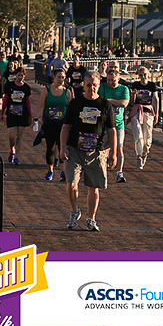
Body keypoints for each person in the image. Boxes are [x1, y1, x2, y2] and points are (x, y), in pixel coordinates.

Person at [60, 70, 117, 232]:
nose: (92, 88)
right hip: (75, 150)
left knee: (94, 187)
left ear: (99, 86)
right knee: (71, 183)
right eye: (89, 85)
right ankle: (74, 211)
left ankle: (91, 218)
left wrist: (113, 153)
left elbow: (112, 130)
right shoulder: (75, 103)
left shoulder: (105, 105)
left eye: (95, 85)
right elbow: (66, 126)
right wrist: (62, 147)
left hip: (96, 152)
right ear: (83, 85)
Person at [36, 68, 72, 181]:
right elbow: (41, 106)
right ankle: (50, 170)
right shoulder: (46, 90)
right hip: (50, 123)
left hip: (63, 124)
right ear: (53, 77)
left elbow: (70, 108)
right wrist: (36, 117)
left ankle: (63, 171)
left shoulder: (67, 92)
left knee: (62, 147)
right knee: (50, 147)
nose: (61, 79)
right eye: (59, 77)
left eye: (63, 77)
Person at [98, 61, 130, 183]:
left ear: (118, 79)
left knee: (119, 148)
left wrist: (110, 100)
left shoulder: (124, 89)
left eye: (113, 80)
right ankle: (102, 171)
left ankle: (119, 173)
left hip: (118, 124)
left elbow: (124, 103)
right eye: (109, 80)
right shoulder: (103, 87)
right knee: (103, 149)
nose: (111, 82)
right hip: (105, 124)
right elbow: (100, 101)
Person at [0, 66, 32, 165]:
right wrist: (2, 112)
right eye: (18, 75)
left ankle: (17, 156)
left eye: (22, 75)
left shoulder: (26, 88)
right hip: (11, 113)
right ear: (15, 75)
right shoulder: (10, 85)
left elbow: (28, 102)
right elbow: (5, 99)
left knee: (19, 136)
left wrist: (30, 115)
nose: (20, 77)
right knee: (12, 135)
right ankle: (12, 150)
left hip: (22, 114)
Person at [128, 66, 158, 170]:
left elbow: (155, 99)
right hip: (136, 111)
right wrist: (134, 95)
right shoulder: (135, 85)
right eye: (141, 75)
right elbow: (132, 101)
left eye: (145, 74)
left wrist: (156, 114)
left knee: (147, 139)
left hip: (148, 112)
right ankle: (139, 156)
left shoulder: (152, 85)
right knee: (138, 136)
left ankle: (144, 153)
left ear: (148, 74)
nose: (143, 77)